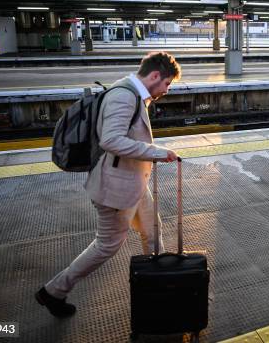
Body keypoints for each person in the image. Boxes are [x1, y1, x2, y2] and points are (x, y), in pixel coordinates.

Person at [36, 51, 182, 317]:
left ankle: (159, 284)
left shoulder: (132, 92)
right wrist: (156, 152)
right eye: (167, 84)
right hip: (115, 188)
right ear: (155, 75)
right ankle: (53, 291)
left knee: (152, 229)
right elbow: (110, 140)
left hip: (132, 181)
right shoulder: (124, 96)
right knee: (106, 246)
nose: (166, 90)